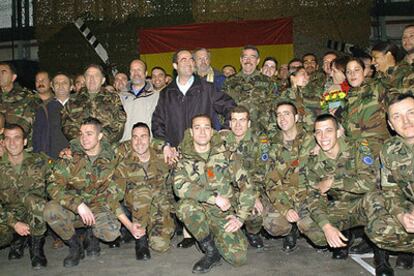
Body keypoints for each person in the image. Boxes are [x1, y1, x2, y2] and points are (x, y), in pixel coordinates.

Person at [298, 114, 393, 275]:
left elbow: (370, 181)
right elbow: (313, 197)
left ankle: (381, 256)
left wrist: (333, 182)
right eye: (318, 132)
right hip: (341, 205)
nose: (323, 137)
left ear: (339, 132)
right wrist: (326, 226)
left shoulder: (358, 148)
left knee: (377, 199)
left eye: (328, 130)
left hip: (366, 203)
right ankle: (343, 238)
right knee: (307, 225)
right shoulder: (313, 162)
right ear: (314, 135)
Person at [174, 114, 255, 273]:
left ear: (212, 132)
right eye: (197, 128)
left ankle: (213, 235)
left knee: (239, 259)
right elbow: (179, 186)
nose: (202, 132)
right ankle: (210, 250)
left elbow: (246, 183)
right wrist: (213, 198)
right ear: (191, 132)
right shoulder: (184, 158)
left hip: (222, 214)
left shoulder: (226, 155)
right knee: (185, 207)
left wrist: (240, 217)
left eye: (206, 128)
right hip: (198, 210)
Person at [44, 118, 123, 267]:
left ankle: (91, 234)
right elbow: (53, 186)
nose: (84, 138)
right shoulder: (70, 156)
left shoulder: (112, 156)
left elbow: (118, 189)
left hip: (98, 205)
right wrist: (77, 204)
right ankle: (75, 245)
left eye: (89, 134)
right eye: (81, 134)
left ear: (99, 136)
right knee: (50, 210)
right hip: (73, 208)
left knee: (111, 233)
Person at [152, 49, 235, 164]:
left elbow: (231, 108)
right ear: (175, 66)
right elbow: (157, 122)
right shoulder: (167, 93)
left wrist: (224, 131)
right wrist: (165, 145)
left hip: (205, 155)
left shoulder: (207, 89)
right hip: (177, 156)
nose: (189, 62)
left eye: (191, 59)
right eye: (183, 60)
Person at [365, 93, 414, 272]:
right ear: (391, 125)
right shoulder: (390, 149)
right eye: (397, 117)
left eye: (411, 112)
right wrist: (401, 215)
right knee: (377, 228)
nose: (406, 121)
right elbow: (391, 191)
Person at [114, 122, 174, 260]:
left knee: (161, 246)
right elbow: (112, 198)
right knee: (143, 191)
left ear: (150, 139)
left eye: (143, 136)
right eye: (135, 137)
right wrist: (128, 225)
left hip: (158, 206)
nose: (139, 141)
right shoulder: (124, 164)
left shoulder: (163, 158)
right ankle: (140, 239)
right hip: (135, 206)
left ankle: (153, 227)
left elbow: (176, 181)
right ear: (131, 140)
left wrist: (171, 210)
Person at [261, 101, 314, 252]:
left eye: (287, 114)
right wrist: (285, 209)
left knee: (317, 232)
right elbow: (271, 182)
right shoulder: (271, 145)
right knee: (274, 225)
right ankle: (290, 231)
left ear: (296, 117)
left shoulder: (313, 139)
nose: (282, 118)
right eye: (279, 115)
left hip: (307, 195)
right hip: (284, 194)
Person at [0, 124, 50, 269]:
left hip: (35, 213)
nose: (12, 143)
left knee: (35, 201)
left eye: (17, 138)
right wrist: (13, 222)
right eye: (7, 139)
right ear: (2, 142)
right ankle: (17, 240)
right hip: (8, 216)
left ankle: (36, 248)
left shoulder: (40, 161)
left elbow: (59, 177)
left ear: (25, 141)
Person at [219, 106, 264, 248]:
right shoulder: (220, 140)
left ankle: (252, 232)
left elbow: (261, 174)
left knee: (254, 212)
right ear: (230, 123)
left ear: (249, 123)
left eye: (242, 120)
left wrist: (255, 196)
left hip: (249, 189)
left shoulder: (259, 143)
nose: (238, 125)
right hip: (226, 188)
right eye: (234, 120)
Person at [61, 64, 126, 144]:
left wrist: (98, 141)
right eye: (88, 76)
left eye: (96, 75)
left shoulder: (113, 98)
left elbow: (119, 123)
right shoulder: (73, 100)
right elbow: (67, 125)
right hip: (80, 149)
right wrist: (84, 140)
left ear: (102, 80)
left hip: (106, 149)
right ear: (85, 79)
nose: (92, 79)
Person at [222, 45, 276, 135]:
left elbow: (274, 108)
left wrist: (270, 131)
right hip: (234, 133)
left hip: (259, 133)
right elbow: (222, 106)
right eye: (245, 57)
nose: (248, 60)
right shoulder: (229, 81)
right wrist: (226, 126)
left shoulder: (268, 82)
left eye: (252, 57)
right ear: (241, 60)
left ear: (258, 61)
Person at [343, 58, 389, 156]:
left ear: (364, 72)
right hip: (356, 153)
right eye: (348, 72)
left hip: (379, 150)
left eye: (356, 70)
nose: (352, 74)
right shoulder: (347, 99)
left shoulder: (378, 86)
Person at [119, 59, 159, 142]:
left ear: (146, 73)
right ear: (130, 73)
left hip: (148, 145)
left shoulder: (157, 96)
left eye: (139, 70)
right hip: (125, 145)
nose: (136, 73)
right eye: (133, 70)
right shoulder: (119, 97)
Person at [33, 73, 70, 159]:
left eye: (64, 83)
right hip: (52, 159)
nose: (60, 86)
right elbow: (38, 138)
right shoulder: (44, 109)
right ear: (52, 87)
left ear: (71, 87)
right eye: (57, 83)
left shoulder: (80, 107)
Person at [0, 62, 41, 141]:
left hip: (17, 146)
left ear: (13, 77)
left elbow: (25, 126)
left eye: (3, 72)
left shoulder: (27, 98)